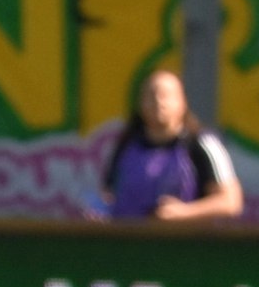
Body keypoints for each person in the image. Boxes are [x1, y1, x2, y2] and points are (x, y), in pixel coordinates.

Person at [98, 70, 244, 222]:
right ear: (140, 104)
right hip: (130, 241)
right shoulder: (126, 146)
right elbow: (108, 194)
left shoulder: (202, 144)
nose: (158, 102)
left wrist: (185, 213)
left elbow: (231, 202)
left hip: (185, 242)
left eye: (165, 95)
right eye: (151, 96)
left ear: (182, 102)